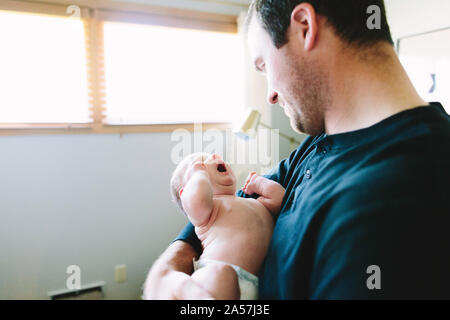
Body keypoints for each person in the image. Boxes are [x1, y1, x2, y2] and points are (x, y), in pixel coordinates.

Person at [143, 0, 450, 299]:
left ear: (305, 27)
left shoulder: (394, 201)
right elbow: (231, 203)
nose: (271, 96)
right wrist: (166, 271)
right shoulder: (322, 141)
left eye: (264, 65)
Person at [168, 152, 285, 299]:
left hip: (254, 286)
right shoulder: (206, 212)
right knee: (220, 274)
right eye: (202, 163)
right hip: (213, 275)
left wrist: (260, 183)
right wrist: (199, 175)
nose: (214, 157)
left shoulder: (254, 202)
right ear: (186, 194)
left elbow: (280, 200)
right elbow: (198, 198)